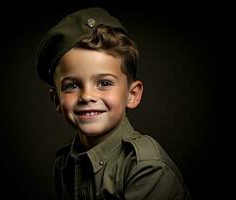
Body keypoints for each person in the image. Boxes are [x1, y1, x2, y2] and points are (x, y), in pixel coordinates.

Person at [36, 7, 191, 200]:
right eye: (73, 85)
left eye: (104, 83)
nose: (87, 96)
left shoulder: (147, 168)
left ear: (132, 94)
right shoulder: (65, 161)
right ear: (56, 100)